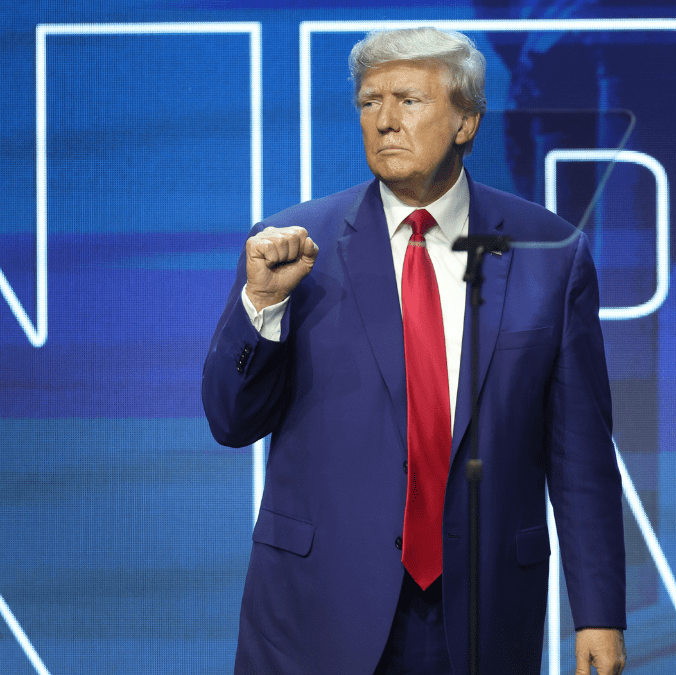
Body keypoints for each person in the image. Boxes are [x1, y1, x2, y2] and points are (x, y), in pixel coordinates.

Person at [202, 27, 626, 675]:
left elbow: (582, 456)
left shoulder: (552, 254)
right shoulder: (291, 244)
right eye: (369, 103)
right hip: (316, 610)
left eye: (408, 100)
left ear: (466, 121)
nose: (384, 122)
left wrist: (597, 613)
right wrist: (260, 308)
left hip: (481, 610)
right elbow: (231, 421)